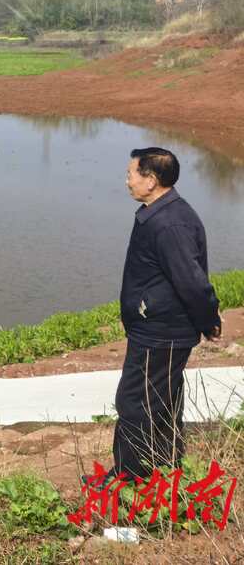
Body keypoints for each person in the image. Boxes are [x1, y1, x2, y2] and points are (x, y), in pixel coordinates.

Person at [107, 147, 222, 481]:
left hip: (161, 333)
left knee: (135, 403)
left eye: (131, 174)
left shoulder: (170, 223)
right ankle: (163, 473)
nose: (127, 180)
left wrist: (209, 320)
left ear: (151, 180)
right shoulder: (159, 214)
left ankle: (130, 481)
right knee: (160, 401)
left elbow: (192, 282)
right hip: (156, 329)